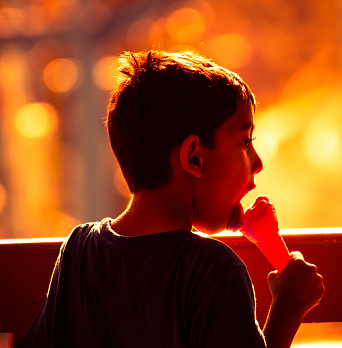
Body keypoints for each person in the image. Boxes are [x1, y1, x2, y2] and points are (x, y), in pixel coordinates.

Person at [18, 50, 324, 348]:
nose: (258, 163)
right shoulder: (215, 270)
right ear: (193, 158)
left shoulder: (79, 249)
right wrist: (287, 309)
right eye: (245, 142)